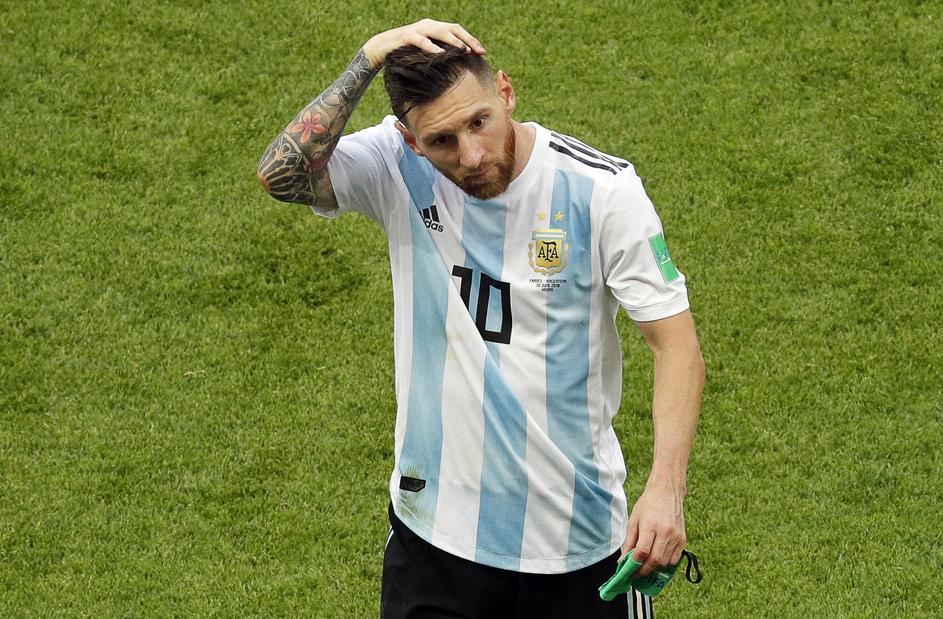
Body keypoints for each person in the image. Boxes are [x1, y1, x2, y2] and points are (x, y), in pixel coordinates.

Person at [257, 19, 705, 619]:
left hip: (577, 546)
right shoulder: (396, 165)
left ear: (507, 93)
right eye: (442, 140)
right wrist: (369, 57)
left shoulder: (601, 191)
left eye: (479, 122)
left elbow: (676, 346)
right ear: (412, 141)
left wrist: (666, 491)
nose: (470, 156)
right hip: (435, 541)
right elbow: (280, 174)